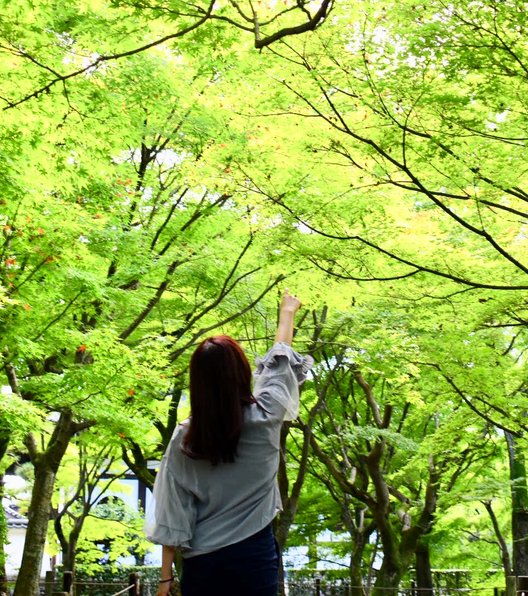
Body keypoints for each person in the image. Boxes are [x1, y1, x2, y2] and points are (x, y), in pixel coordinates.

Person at [145, 290, 313, 596]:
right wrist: (287, 313)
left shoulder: (186, 438)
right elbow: (279, 363)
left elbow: (174, 510)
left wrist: (165, 580)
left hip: (202, 563)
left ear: (197, 383)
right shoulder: (265, 417)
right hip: (254, 558)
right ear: (242, 372)